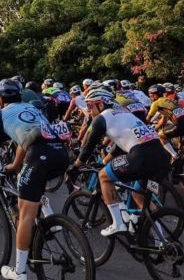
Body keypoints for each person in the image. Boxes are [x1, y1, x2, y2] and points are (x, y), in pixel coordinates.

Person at [0, 80, 69, 280]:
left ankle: (19, 271)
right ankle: (47, 220)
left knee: (25, 213)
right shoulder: (31, 107)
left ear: (0, 99)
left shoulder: (0, 115)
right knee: (28, 186)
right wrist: (16, 164)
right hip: (60, 155)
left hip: (39, 157)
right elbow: (24, 140)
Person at [73, 86, 171, 236]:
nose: (89, 110)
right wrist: (106, 161)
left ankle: (118, 223)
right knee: (138, 196)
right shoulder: (125, 113)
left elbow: (88, 147)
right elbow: (120, 146)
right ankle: (161, 239)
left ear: (100, 104)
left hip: (141, 156)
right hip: (162, 156)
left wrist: (75, 167)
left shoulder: (102, 118)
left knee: (103, 177)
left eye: (90, 105)